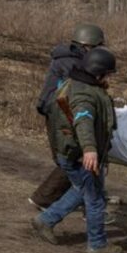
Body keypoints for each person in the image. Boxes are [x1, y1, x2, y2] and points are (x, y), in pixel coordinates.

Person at [31, 47, 123, 253]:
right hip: (80, 155)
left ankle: (44, 221)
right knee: (94, 198)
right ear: (98, 72)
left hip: (70, 152)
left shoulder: (74, 83)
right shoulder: (84, 95)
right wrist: (90, 150)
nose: (109, 77)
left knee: (81, 190)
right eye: (107, 74)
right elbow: (83, 120)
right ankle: (97, 245)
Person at [28, 23, 106, 210]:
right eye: (96, 48)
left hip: (58, 110)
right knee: (72, 156)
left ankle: (84, 198)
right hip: (59, 112)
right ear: (88, 46)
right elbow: (76, 92)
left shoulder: (70, 58)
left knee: (72, 158)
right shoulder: (72, 63)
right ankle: (45, 199)